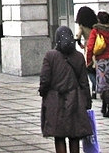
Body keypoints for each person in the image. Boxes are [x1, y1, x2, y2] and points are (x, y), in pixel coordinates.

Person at [40, 25, 93, 153]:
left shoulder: (50, 56)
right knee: (74, 135)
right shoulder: (78, 57)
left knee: (59, 135)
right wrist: (87, 101)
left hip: (55, 99)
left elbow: (45, 79)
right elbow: (84, 82)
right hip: (75, 99)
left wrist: (43, 93)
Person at [86, 10, 109, 118]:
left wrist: (89, 61)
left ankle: (108, 108)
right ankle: (105, 106)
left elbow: (90, 47)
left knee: (103, 85)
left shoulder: (96, 30)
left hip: (101, 60)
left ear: (99, 20)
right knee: (108, 84)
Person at [74, 5, 98, 97]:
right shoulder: (96, 23)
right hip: (99, 46)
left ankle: (94, 87)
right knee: (97, 67)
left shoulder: (82, 26)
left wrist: (80, 45)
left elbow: (78, 37)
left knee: (89, 69)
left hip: (88, 47)